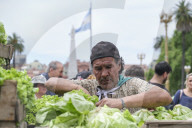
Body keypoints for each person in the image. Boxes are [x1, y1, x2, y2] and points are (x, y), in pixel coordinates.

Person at [45, 41, 172, 113]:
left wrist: (120, 102)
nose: (104, 74)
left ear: (119, 65)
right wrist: (78, 89)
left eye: (108, 67)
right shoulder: (90, 86)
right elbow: (51, 82)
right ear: (92, 70)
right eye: (98, 69)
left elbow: (164, 96)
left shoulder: (131, 84)